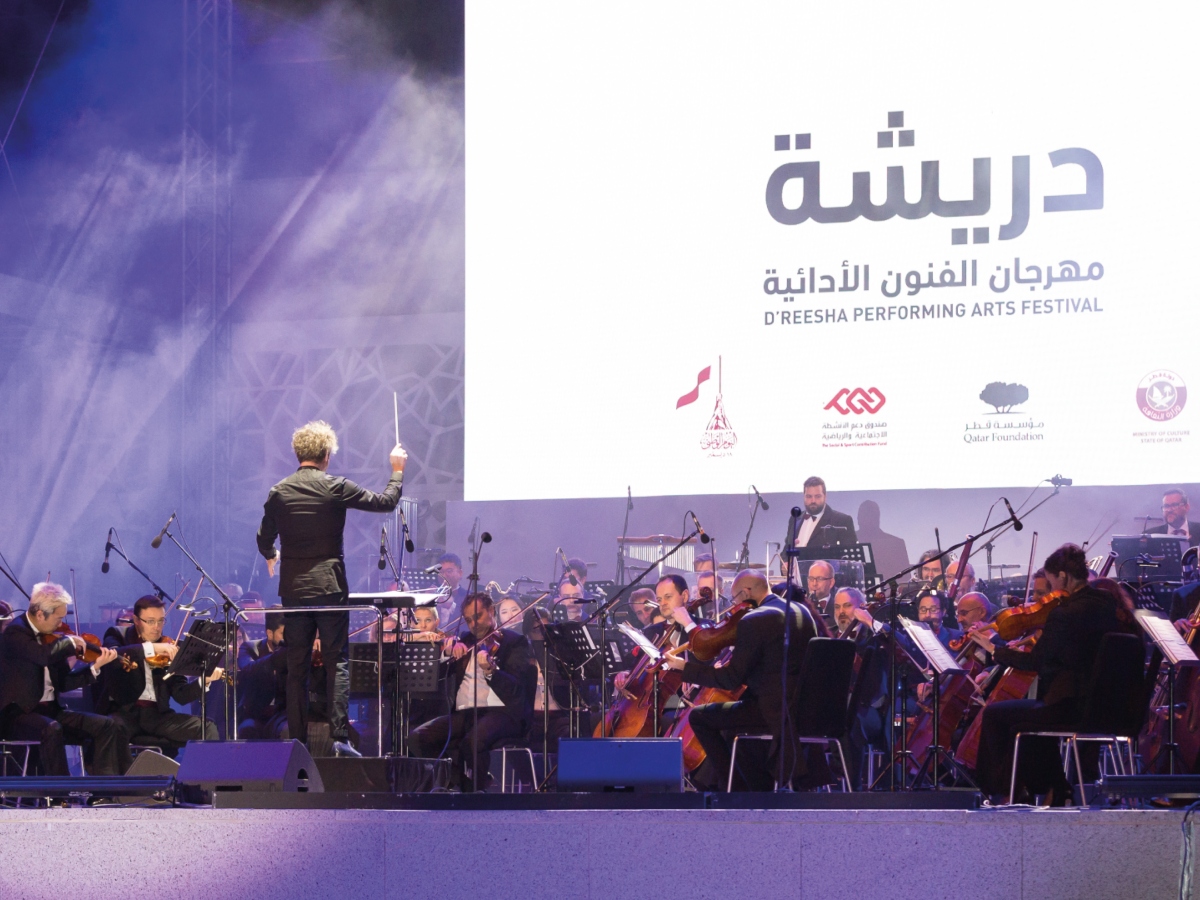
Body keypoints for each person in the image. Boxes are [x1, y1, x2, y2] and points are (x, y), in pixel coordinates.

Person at [257, 419, 407, 756]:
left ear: (298, 453)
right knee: (336, 660)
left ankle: (297, 742)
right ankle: (339, 737)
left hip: (294, 589)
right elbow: (385, 502)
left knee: (297, 666)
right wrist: (397, 470)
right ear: (326, 455)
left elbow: (264, 536)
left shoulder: (279, 491)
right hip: (330, 586)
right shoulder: (335, 486)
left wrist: (271, 554)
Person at [975, 544, 1139, 805]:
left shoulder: (1065, 614)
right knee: (1029, 718)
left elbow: (1035, 662)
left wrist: (995, 650)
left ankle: (1003, 792)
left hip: (1074, 709)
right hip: (1110, 708)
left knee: (997, 714)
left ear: (1063, 576)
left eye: (1051, 584)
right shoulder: (1107, 604)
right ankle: (1054, 789)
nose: (1051, 592)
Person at [664, 570, 818, 790]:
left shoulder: (754, 620)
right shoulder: (801, 611)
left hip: (773, 711)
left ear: (746, 592)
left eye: (735, 598)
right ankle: (754, 784)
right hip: (806, 709)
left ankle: (736, 788)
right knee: (731, 721)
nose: (734, 606)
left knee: (699, 716)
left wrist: (684, 667)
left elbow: (730, 679)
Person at [0, 583, 130, 776]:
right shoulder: (15, 632)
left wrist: (95, 667)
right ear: (40, 615)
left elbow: (64, 682)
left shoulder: (51, 639)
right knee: (52, 729)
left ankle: (103, 788)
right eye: (58, 618)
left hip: (51, 711)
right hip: (19, 714)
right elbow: (42, 656)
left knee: (107, 725)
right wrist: (68, 642)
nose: (61, 624)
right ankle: (61, 790)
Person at [409, 593, 533, 791]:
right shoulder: (465, 640)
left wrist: (491, 671)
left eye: (478, 616)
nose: (474, 624)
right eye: (468, 620)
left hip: (501, 712)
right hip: (465, 713)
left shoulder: (514, 642)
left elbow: (516, 689)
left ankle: (475, 793)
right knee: (418, 737)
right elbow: (436, 676)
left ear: (491, 611)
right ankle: (459, 779)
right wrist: (447, 653)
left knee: (472, 741)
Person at [98, 594, 223, 750]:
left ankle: (205, 767)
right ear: (136, 620)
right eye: (150, 621)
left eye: (161, 621)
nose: (157, 627)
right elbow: (115, 655)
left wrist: (204, 681)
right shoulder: (117, 634)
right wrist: (151, 648)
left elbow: (181, 695)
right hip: (124, 713)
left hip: (157, 716)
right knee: (112, 728)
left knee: (207, 727)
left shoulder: (168, 646)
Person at [237, 609, 287, 738]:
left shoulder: (294, 652)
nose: (288, 638)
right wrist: (278, 657)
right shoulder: (250, 647)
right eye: (283, 634)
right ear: (269, 633)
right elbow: (247, 669)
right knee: (247, 729)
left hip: (283, 714)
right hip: (256, 714)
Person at [785, 476, 858, 549]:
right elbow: (786, 550)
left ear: (825, 496)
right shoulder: (795, 519)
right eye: (809, 496)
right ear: (804, 496)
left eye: (817, 496)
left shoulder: (843, 521)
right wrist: (786, 555)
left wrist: (826, 558)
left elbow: (849, 553)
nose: (813, 501)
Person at [436, 553, 469, 629]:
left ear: (460, 573)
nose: (444, 575)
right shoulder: (432, 595)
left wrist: (451, 605)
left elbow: (468, 623)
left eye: (449, 571)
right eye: (441, 572)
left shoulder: (469, 597)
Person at [805, 561, 837, 630]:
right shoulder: (801, 606)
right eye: (811, 579)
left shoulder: (838, 608)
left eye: (820, 579)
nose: (814, 584)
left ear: (831, 582)